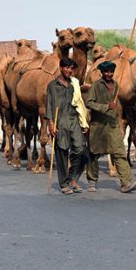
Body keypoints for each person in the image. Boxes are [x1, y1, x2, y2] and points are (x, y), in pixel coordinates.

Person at [84, 61, 136, 193]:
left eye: (111, 72)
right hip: (98, 126)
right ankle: (92, 181)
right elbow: (89, 103)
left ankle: (126, 183)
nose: (109, 74)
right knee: (94, 154)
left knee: (119, 153)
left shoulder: (116, 85)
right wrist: (105, 107)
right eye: (106, 72)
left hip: (113, 125)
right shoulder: (96, 86)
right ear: (102, 73)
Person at [45, 57, 86, 194]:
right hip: (59, 120)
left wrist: (83, 120)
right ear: (61, 68)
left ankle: (73, 177)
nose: (69, 71)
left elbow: (79, 102)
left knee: (81, 149)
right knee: (61, 151)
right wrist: (50, 123)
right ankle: (64, 184)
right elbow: (49, 106)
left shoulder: (74, 84)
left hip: (73, 119)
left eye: (71, 68)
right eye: (67, 68)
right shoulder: (52, 85)